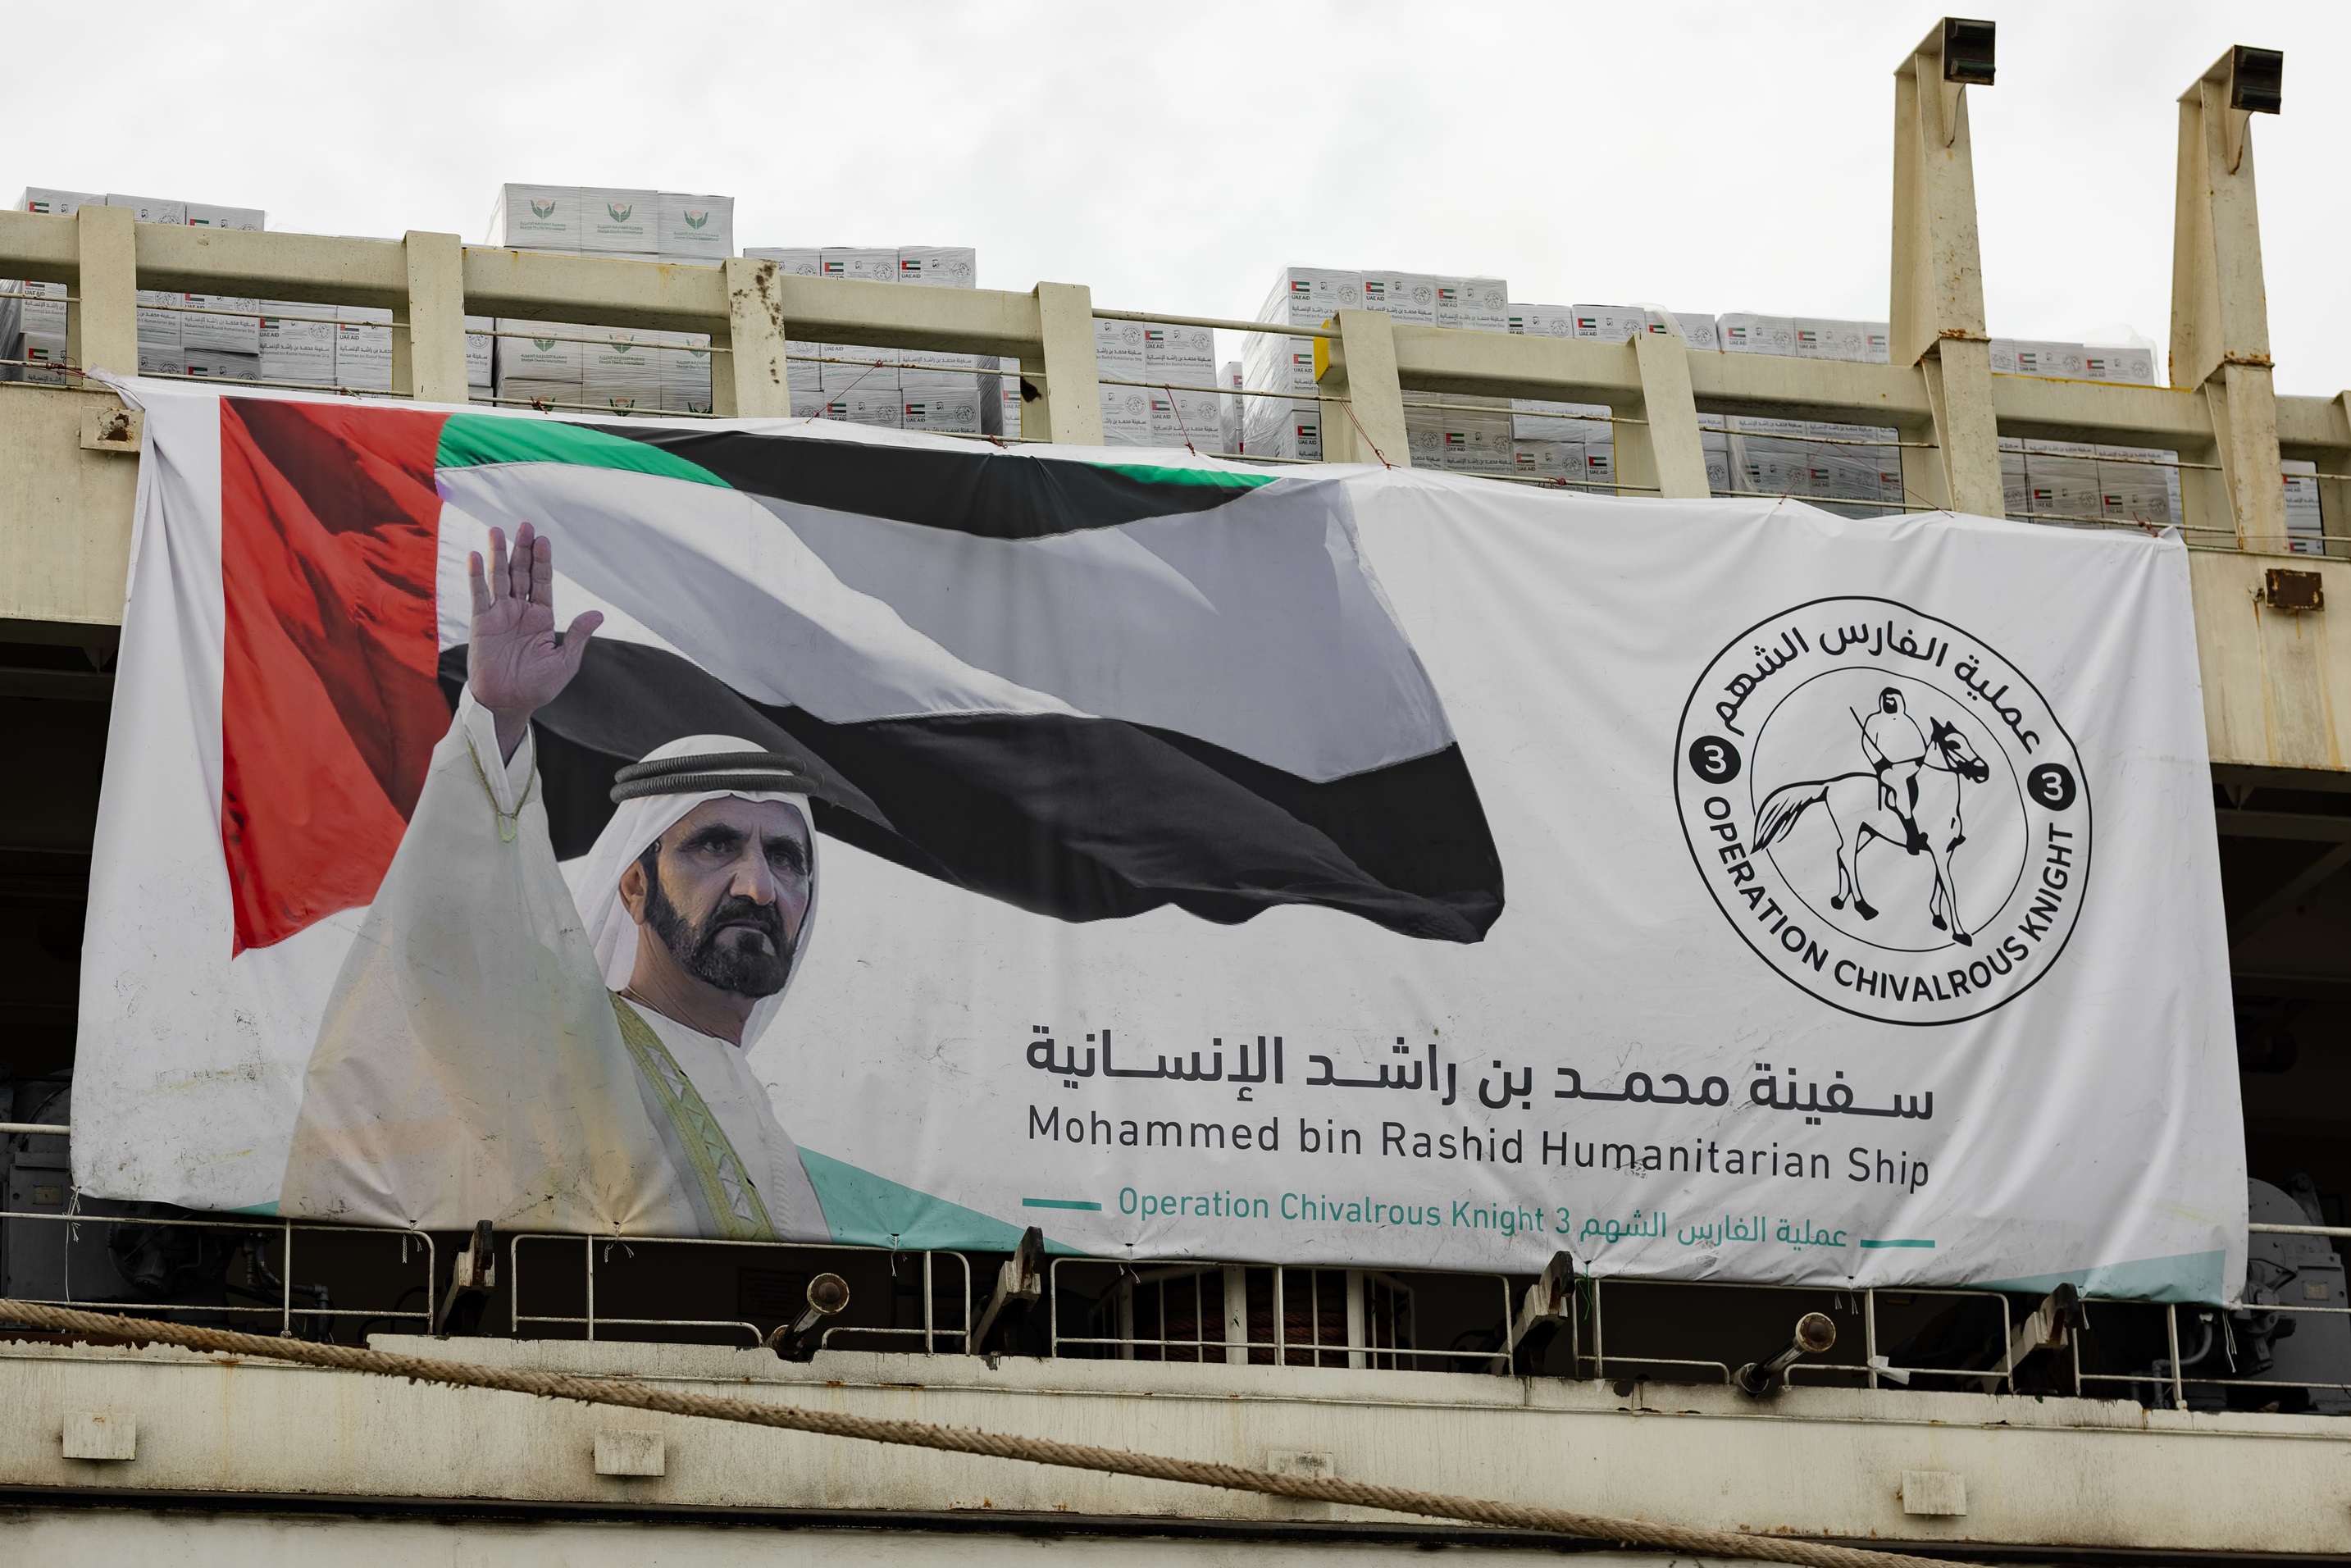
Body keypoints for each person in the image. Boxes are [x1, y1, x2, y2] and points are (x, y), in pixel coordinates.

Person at [278, 522, 827, 1240]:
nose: (757, 886)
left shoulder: (758, 1110)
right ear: (634, 887)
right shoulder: (559, 1049)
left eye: (784, 858)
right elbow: (452, 933)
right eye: (715, 845)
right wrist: (499, 721)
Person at [1859, 687, 1930, 854]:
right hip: (1886, 768)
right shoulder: (1875, 720)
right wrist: (1882, 764)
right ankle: (1912, 837)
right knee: (1900, 786)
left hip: (1912, 765)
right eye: (1887, 699)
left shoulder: (1907, 721)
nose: (1890, 703)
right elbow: (1868, 746)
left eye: (1893, 699)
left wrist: (1917, 762)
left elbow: (1921, 747)